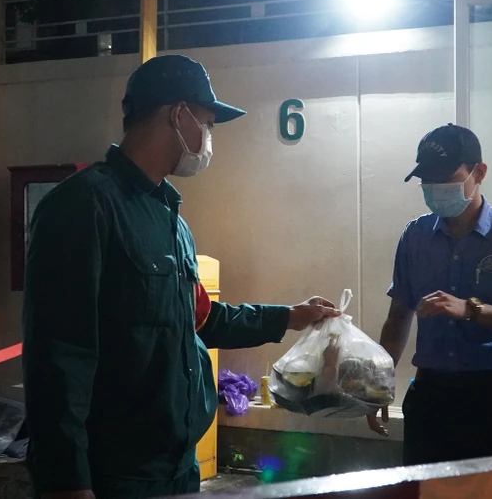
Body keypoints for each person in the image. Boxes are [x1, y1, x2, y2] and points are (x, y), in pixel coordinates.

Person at [22, 55, 339, 499]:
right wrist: (67, 481)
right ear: (179, 114)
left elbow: (198, 318)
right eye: (207, 123)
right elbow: (58, 357)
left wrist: (289, 316)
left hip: (176, 468)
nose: (208, 138)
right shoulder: (84, 207)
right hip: (114, 475)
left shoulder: (170, 220)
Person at [365, 123, 492, 465]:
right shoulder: (415, 237)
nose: (435, 187)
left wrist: (472, 309)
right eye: (428, 180)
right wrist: (378, 382)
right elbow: (397, 318)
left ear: (479, 173)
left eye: (445, 177)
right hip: (431, 395)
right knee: (424, 488)